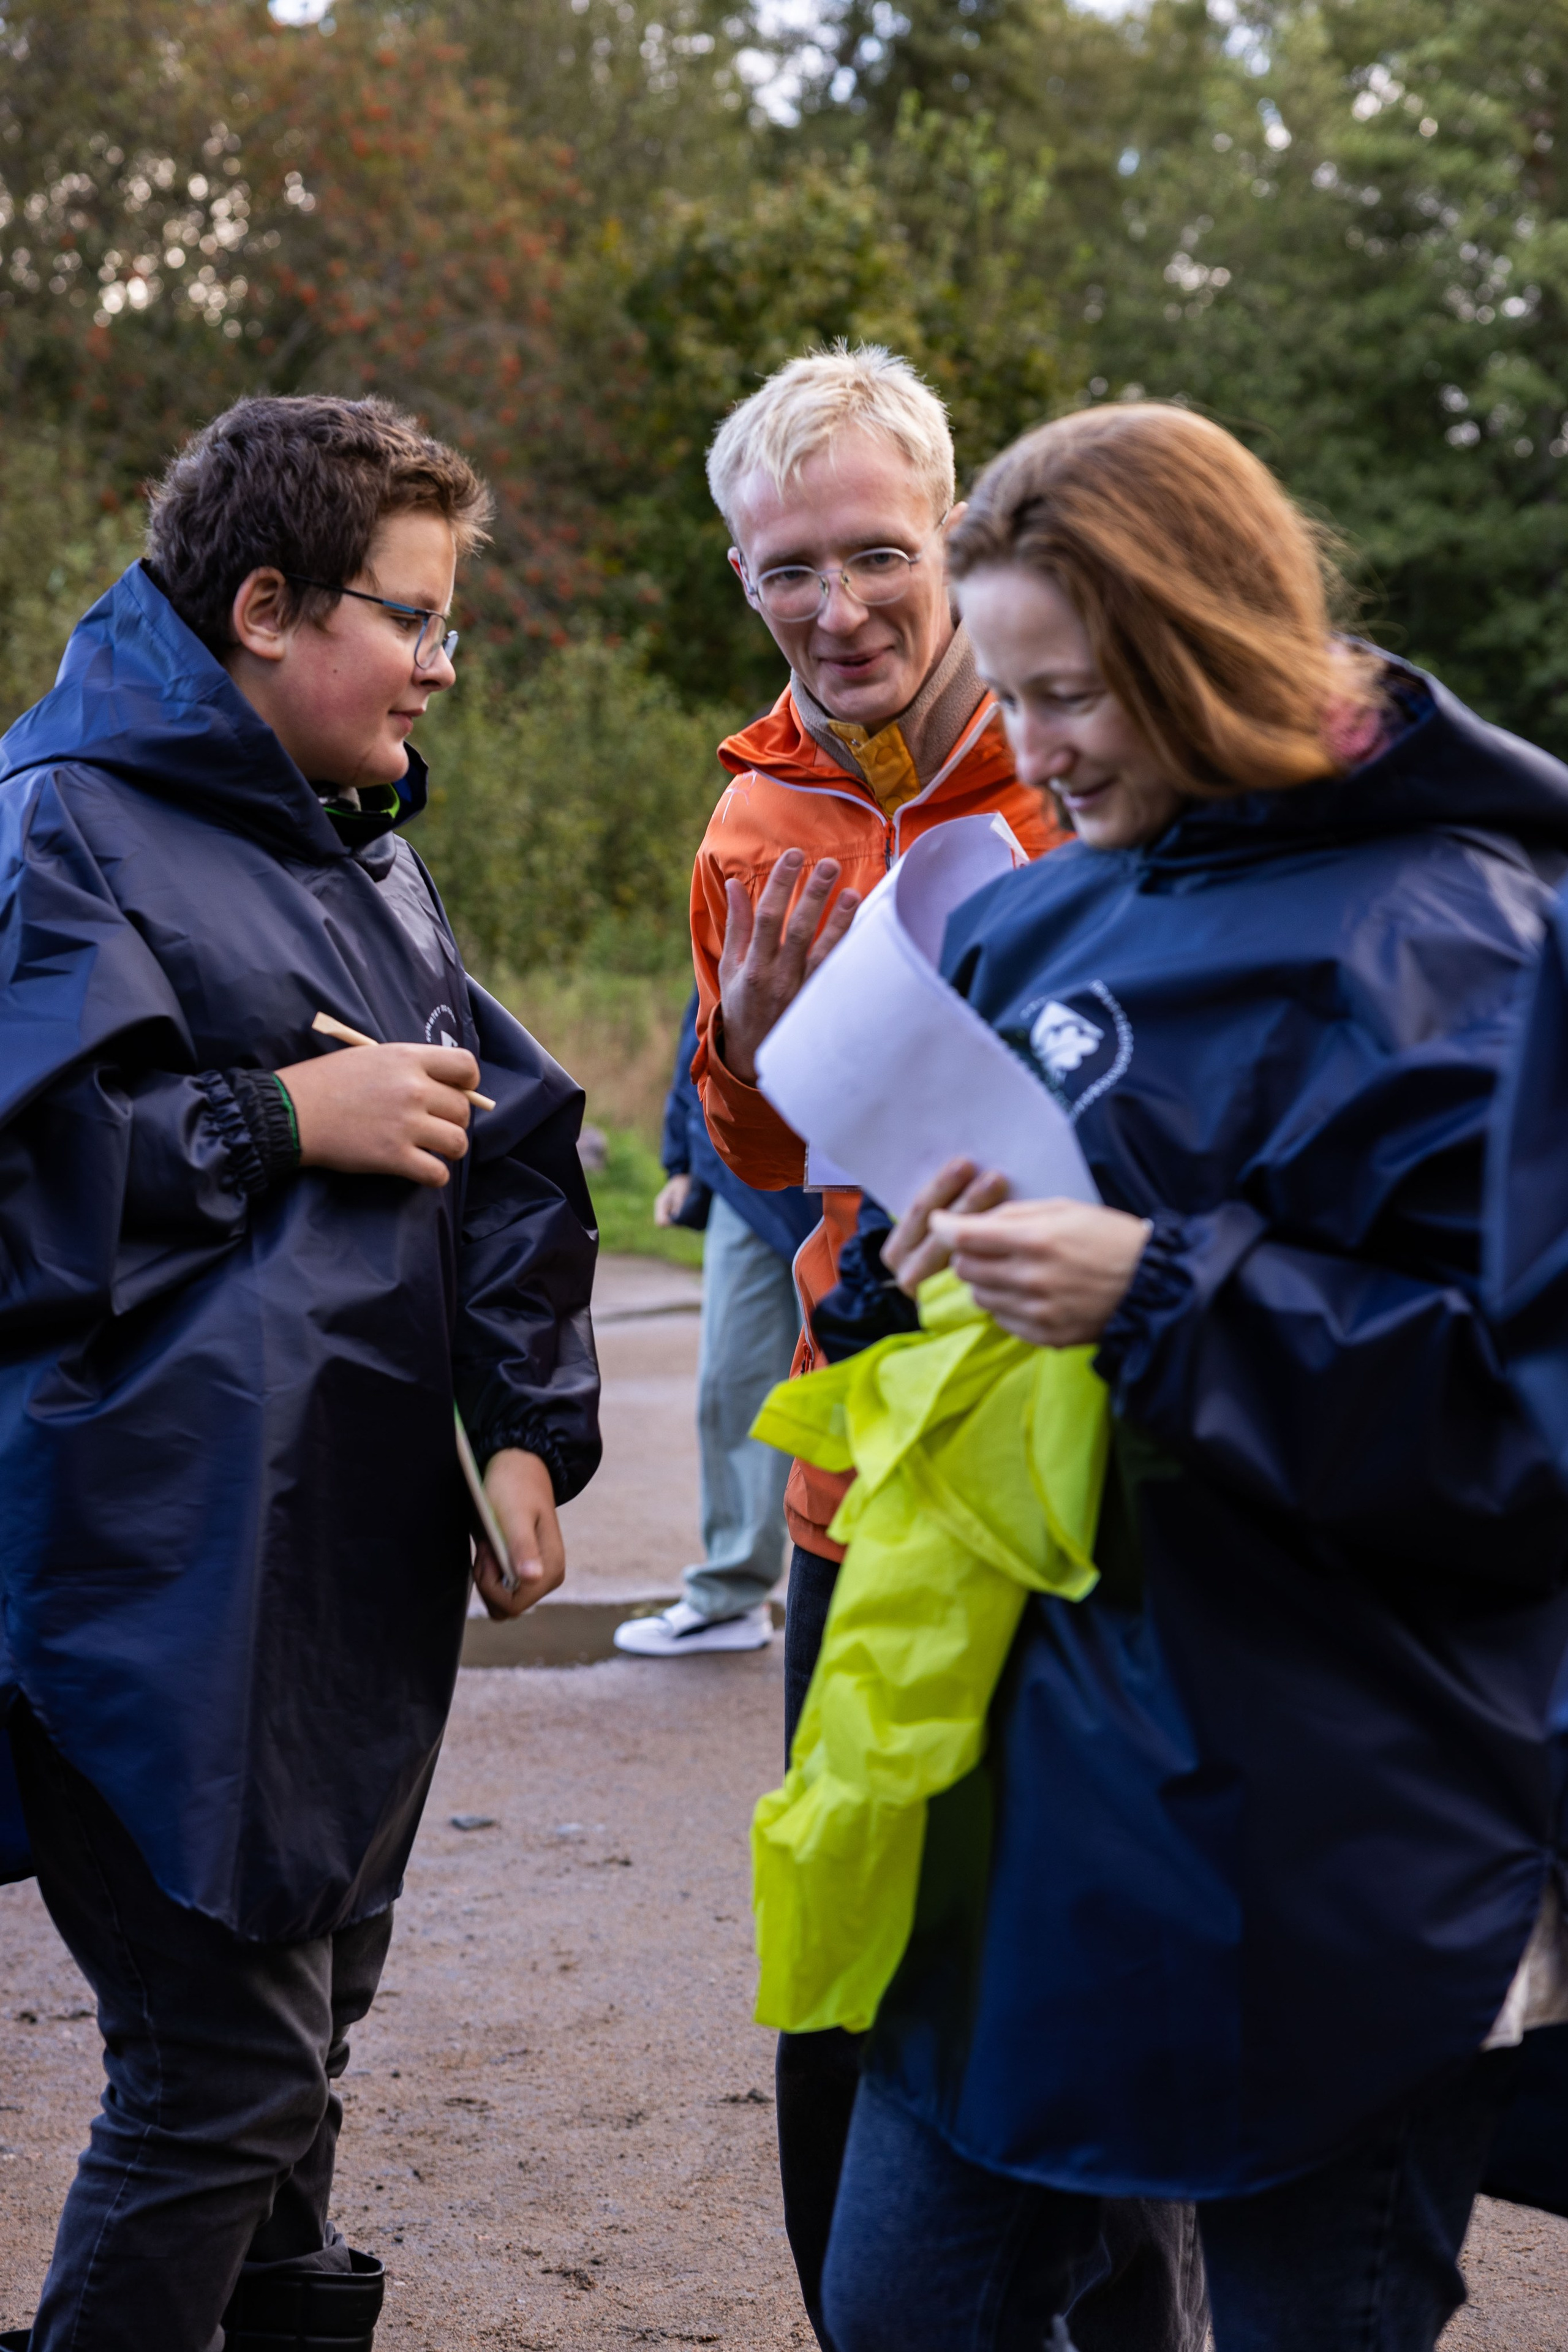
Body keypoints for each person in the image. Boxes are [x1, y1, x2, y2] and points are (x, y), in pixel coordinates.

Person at [799, 402, 1568, 2352]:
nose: (1030, 750)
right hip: (1023, 1794)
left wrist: (1163, 1291)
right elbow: (940, 1336)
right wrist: (904, 1288)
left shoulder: (1477, 938)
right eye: (1016, 689)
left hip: (1334, 1823)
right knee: (895, 2307)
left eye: (1072, 696)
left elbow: (1517, 1428)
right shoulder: (1042, 905)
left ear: (1200, 646)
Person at [0, 394, 601, 2352]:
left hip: (342, 1581)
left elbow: (512, 1138)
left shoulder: (358, 849)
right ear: (267, 604)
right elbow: (25, 1196)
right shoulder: (60, 829)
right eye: (412, 615)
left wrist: (523, 1429)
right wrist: (274, 1116)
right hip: (138, 1582)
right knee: (223, 2072)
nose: (444, 660)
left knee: (300, 2050)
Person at [687, 347, 1208, 2350]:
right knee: (872, 1947)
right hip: (867, 1479)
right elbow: (763, 1165)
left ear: (957, 526)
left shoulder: (1094, 765)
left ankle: (1129, 2320)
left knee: (1101, 1934)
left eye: (876, 553)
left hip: (1103, 1457)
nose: (837, 609)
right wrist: (744, 1055)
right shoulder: (751, 814)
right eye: (785, 570)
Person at [613, 987, 818, 1654]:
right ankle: (731, 1594)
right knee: (731, 1385)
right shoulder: (729, 880)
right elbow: (708, 1013)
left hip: (860, 1160)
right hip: (745, 1182)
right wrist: (682, 1157)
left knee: (862, 1386)